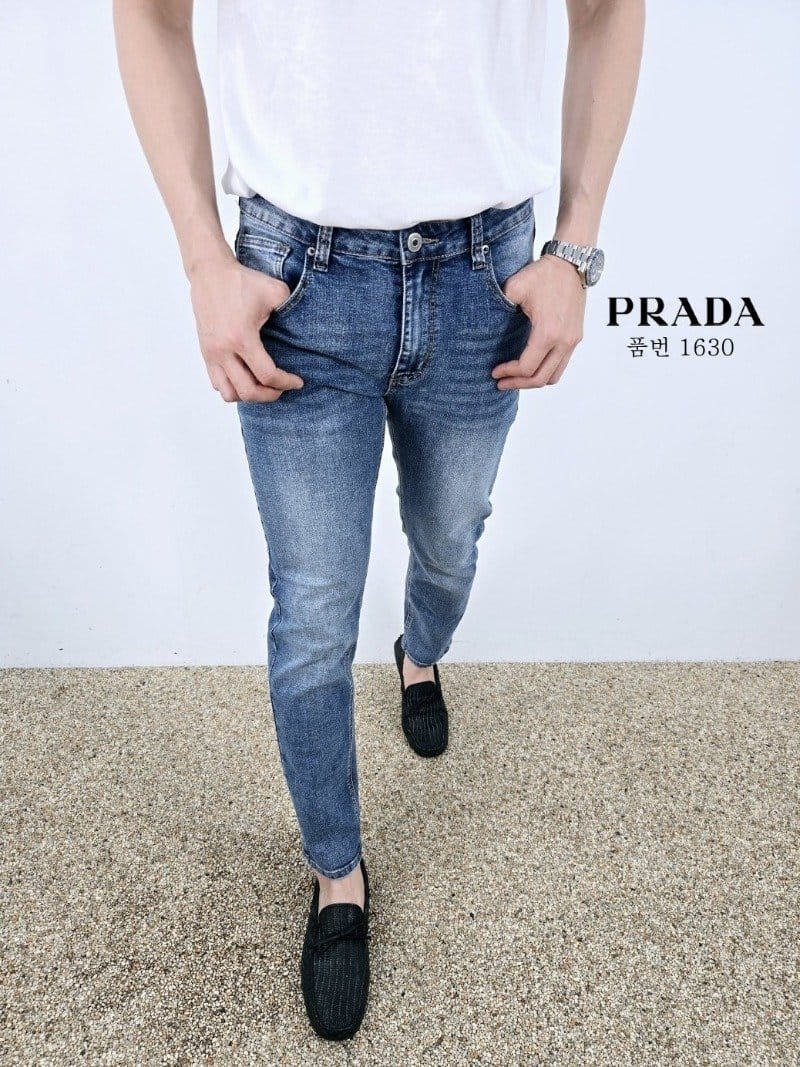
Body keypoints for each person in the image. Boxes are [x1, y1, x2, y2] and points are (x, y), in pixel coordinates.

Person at [114, 0, 644, 1041]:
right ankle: (336, 874)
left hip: (484, 271)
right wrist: (202, 261)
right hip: (295, 277)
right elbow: (149, 14)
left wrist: (576, 246)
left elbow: (608, 10)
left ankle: (419, 652)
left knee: (450, 536)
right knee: (312, 611)